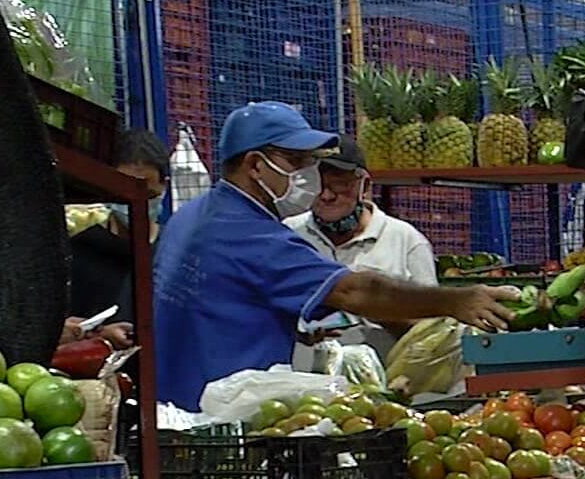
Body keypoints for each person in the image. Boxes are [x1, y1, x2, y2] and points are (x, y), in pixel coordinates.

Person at [154, 102, 517, 410]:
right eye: (297, 161)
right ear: (255, 165)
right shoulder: (251, 233)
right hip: (220, 415)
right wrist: (457, 300)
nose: (309, 177)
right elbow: (355, 291)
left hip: (176, 405)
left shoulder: (192, 215)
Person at [285, 137, 438, 365]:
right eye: (316, 185)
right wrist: (297, 326)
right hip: (306, 391)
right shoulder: (288, 234)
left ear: (364, 186)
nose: (326, 195)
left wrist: (378, 308)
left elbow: (434, 334)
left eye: (339, 184)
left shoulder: (405, 241)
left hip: (385, 390)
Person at [62, 128, 167, 351]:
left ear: (163, 186)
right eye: (125, 194)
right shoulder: (80, 251)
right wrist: (98, 335)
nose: (136, 204)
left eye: (148, 195)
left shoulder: (172, 250)